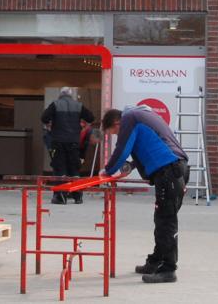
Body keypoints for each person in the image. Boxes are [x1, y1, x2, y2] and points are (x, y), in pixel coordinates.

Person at [101, 105, 189, 284]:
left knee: (166, 222)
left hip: (169, 171)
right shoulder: (140, 115)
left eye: (115, 132)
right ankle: (156, 261)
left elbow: (122, 148)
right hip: (174, 169)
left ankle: (168, 269)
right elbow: (151, 144)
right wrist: (132, 166)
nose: (118, 135)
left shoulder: (130, 118)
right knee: (162, 219)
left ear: (117, 122)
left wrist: (107, 171)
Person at [41, 88, 95, 204]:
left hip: (58, 141)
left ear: (60, 95)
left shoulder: (55, 104)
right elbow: (90, 117)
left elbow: (44, 118)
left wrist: (51, 124)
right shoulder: (78, 105)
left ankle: (61, 196)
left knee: (60, 168)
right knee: (74, 168)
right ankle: (77, 196)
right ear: (71, 96)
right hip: (74, 142)